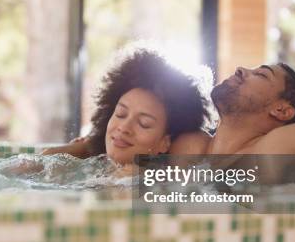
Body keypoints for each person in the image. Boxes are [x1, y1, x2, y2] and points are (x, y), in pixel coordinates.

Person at [51, 63, 295, 158]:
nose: (243, 69)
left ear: (282, 110)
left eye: (262, 74)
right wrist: (87, 146)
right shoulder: (186, 144)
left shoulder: (282, 146)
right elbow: (112, 154)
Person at [42, 48, 211, 167]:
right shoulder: (91, 164)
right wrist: (84, 147)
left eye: (143, 123)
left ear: (164, 143)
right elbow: (27, 167)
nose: (124, 128)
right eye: (121, 114)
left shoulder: (156, 186)